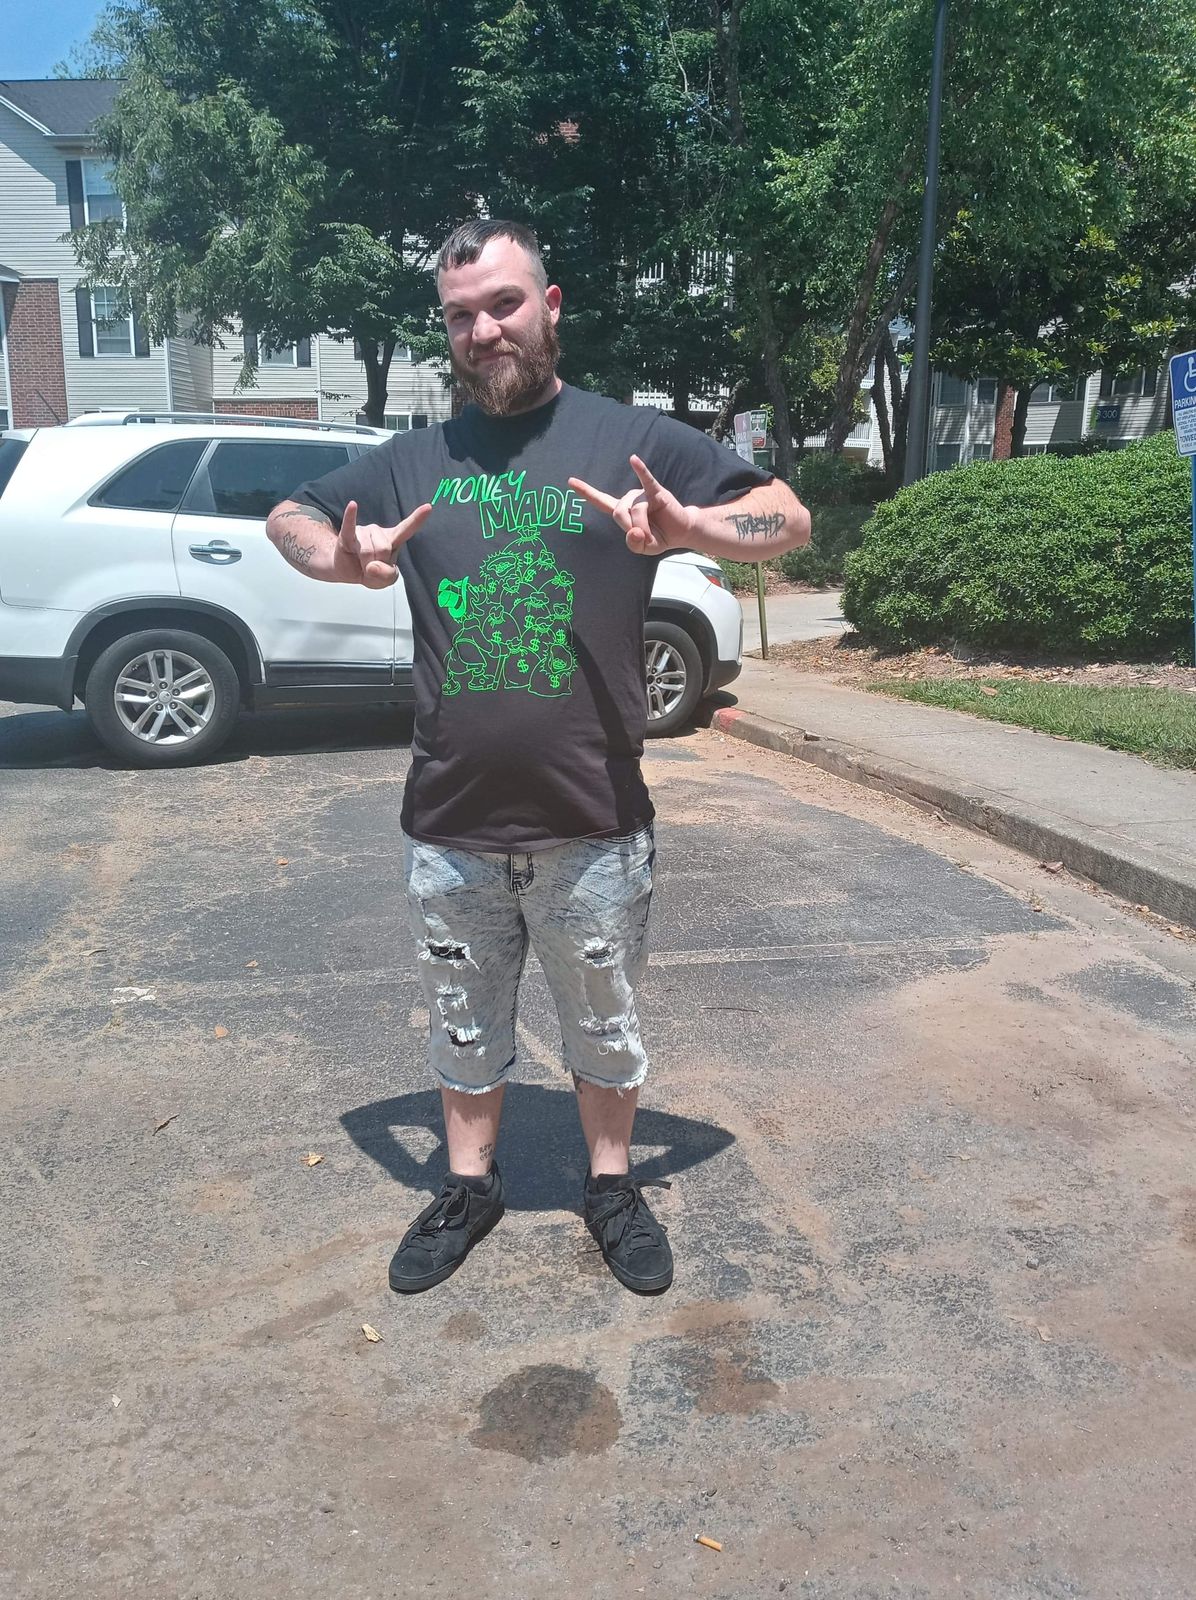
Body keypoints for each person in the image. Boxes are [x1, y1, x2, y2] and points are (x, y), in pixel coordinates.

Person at [266, 219, 810, 1296]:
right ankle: (469, 1187)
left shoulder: (626, 438)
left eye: (504, 304)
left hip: (594, 824)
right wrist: (336, 554)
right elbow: (290, 513)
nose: (484, 330)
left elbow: (785, 516)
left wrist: (689, 527)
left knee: (603, 1028)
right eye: (460, 315)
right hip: (452, 826)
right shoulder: (416, 459)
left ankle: (611, 1184)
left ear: (549, 306)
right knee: (463, 1026)